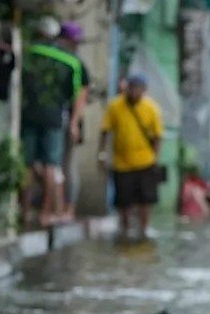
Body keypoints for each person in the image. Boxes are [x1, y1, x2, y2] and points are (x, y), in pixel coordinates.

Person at [20, 16, 87, 228]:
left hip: (28, 114)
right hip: (54, 118)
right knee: (51, 165)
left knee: (27, 164)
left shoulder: (27, 53)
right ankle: (45, 214)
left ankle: (24, 213)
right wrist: (74, 122)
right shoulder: (71, 61)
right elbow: (79, 94)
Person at [99, 74, 164, 240]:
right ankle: (126, 227)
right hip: (122, 162)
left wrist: (155, 158)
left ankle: (145, 227)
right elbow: (105, 131)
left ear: (144, 90)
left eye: (138, 89)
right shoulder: (115, 106)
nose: (135, 92)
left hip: (145, 160)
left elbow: (158, 135)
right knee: (123, 199)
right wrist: (102, 154)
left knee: (145, 198)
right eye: (132, 88)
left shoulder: (151, 108)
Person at [56, 22, 91, 221]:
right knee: (53, 165)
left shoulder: (76, 64)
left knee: (67, 165)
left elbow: (82, 95)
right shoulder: (56, 61)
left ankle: (68, 208)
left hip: (68, 121)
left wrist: (74, 122)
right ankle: (59, 207)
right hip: (53, 119)